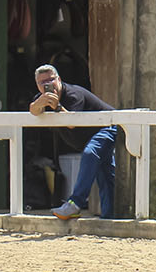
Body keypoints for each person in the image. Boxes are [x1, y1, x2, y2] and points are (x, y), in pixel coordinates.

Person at [33, 65, 118, 220]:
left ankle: (75, 203)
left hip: (107, 127)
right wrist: (39, 104)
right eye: (42, 82)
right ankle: (110, 218)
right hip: (90, 137)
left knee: (90, 153)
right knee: (106, 176)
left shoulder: (73, 94)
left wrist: (56, 107)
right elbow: (33, 110)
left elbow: (71, 122)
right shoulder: (42, 99)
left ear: (58, 79)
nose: (47, 85)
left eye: (50, 80)